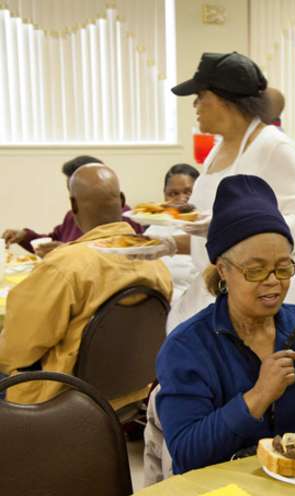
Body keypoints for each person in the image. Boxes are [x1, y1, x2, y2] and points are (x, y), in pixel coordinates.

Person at [156, 175, 295, 474]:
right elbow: (187, 453)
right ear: (223, 270)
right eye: (256, 271)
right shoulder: (188, 347)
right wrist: (258, 396)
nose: (273, 283)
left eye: (283, 268)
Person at [163, 51, 295, 331]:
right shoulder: (217, 149)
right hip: (222, 286)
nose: (195, 105)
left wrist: (234, 226)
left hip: (264, 293)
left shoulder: (273, 147)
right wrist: (167, 245)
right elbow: (212, 231)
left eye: (201, 96)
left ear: (226, 99)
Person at [0, 164, 172, 408]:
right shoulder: (155, 262)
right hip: (132, 391)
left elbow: (14, 350)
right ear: (122, 201)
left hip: (65, 397)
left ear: (73, 206)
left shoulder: (65, 267)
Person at [2, 155, 144, 256]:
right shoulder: (73, 215)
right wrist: (25, 236)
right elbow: (53, 242)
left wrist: (66, 251)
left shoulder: (125, 217)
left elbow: (120, 256)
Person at [144, 164, 199, 301]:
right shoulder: (154, 230)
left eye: (188, 192)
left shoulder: (208, 229)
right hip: (159, 307)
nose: (181, 199)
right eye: (173, 194)